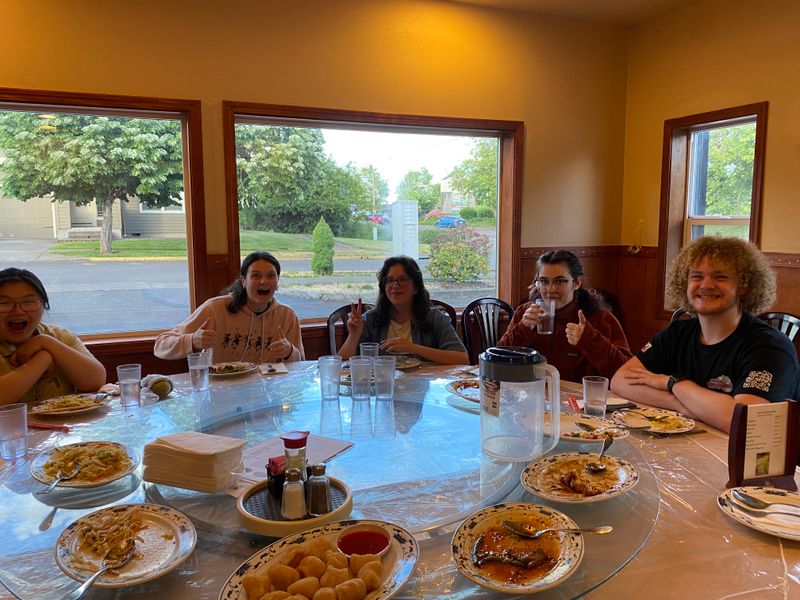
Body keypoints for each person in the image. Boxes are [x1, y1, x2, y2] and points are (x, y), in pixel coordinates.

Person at [611, 236, 800, 433]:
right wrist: (677, 402)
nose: (706, 285)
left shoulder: (769, 347)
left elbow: (746, 422)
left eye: (720, 277)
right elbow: (620, 380)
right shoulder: (677, 333)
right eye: (696, 276)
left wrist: (674, 383)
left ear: (744, 285)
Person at [497, 250, 631, 381]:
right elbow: (498, 360)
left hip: (577, 394)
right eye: (544, 281)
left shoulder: (601, 319)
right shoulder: (525, 313)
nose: (550, 289)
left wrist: (590, 339)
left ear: (577, 283)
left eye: (559, 281)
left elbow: (625, 373)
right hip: (530, 391)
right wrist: (522, 329)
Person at [154, 251, 304, 363]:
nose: (264, 281)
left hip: (269, 392)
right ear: (243, 281)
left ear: (277, 282)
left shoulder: (287, 316)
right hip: (220, 391)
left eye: (271, 276)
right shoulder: (215, 309)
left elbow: (301, 365)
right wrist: (192, 340)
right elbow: (160, 346)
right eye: (256, 276)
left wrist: (290, 352)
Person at [0, 268, 106, 405]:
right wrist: (43, 359)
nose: (18, 311)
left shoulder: (59, 336)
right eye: (4, 303)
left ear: (43, 306)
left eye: (28, 302)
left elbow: (95, 381)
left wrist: (46, 342)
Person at [339, 256, 468, 365]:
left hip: (423, 385)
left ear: (416, 287)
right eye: (390, 280)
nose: (395, 286)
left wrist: (413, 348)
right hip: (384, 384)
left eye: (403, 280)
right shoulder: (371, 319)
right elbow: (342, 365)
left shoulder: (434, 318)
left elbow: (462, 358)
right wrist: (353, 335)